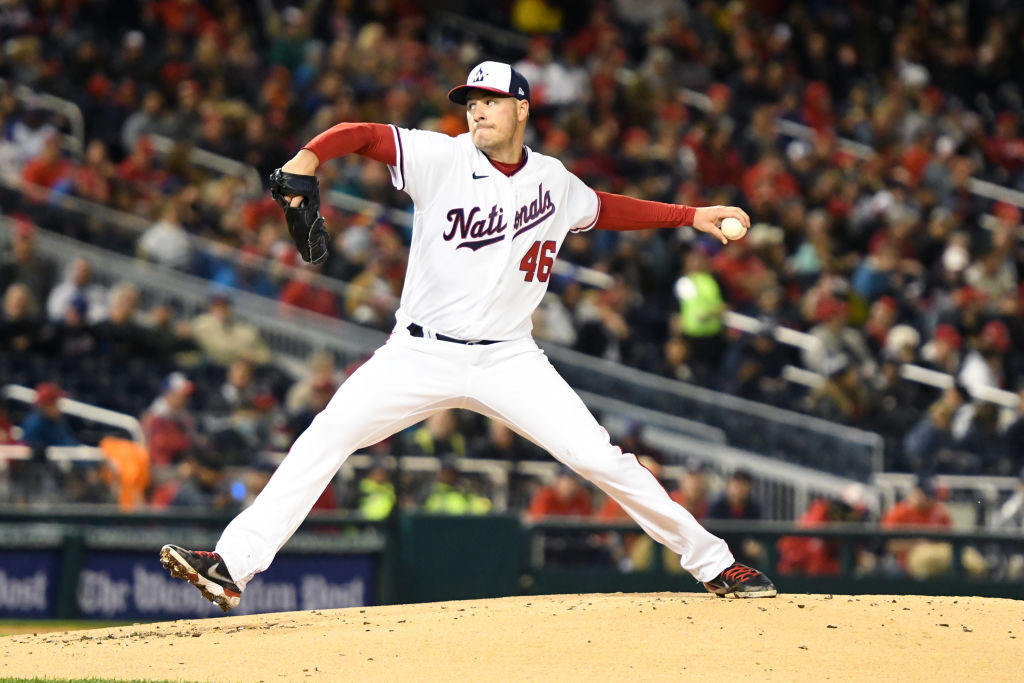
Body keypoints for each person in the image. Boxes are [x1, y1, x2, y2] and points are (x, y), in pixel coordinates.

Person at [160, 60, 775, 611]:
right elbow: (364, 135)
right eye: (470, 100)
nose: (476, 108)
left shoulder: (554, 181)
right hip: (418, 352)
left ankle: (715, 563)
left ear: (522, 108)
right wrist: (309, 156)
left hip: (510, 358)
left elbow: (605, 208)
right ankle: (232, 565)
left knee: (600, 459)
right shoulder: (442, 157)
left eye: (489, 98)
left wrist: (691, 216)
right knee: (326, 435)